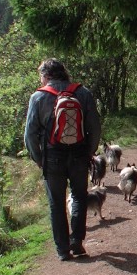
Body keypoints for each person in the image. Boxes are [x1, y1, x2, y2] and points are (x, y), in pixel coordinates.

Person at [24, 58, 101, 261]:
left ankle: (62, 250)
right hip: (78, 155)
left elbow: (29, 135)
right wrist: (89, 152)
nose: (40, 80)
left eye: (41, 76)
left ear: (46, 76)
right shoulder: (82, 93)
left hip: (52, 157)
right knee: (79, 196)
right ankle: (77, 241)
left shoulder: (38, 98)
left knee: (56, 203)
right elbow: (94, 127)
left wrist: (38, 158)